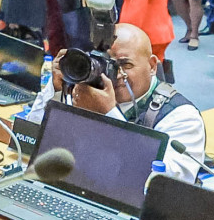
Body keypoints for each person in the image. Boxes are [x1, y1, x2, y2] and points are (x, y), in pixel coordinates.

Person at [30, 22, 205, 178]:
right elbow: (28, 140)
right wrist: (55, 90)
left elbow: (165, 184)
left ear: (152, 66)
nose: (116, 75)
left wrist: (108, 115)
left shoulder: (181, 116)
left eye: (126, 65)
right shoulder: (83, 92)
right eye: (108, 64)